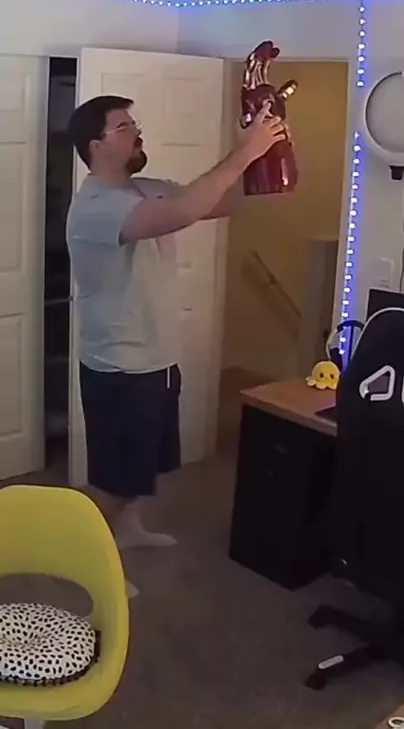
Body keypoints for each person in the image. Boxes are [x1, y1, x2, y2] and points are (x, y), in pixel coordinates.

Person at [66, 94, 286, 597]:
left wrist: (268, 153)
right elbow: (185, 212)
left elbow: (218, 201)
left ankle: (128, 531)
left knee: (142, 464)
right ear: (96, 145)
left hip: (157, 359)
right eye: (125, 127)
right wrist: (245, 151)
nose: (137, 131)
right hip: (120, 367)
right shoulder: (96, 207)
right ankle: (91, 566)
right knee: (113, 479)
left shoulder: (146, 188)